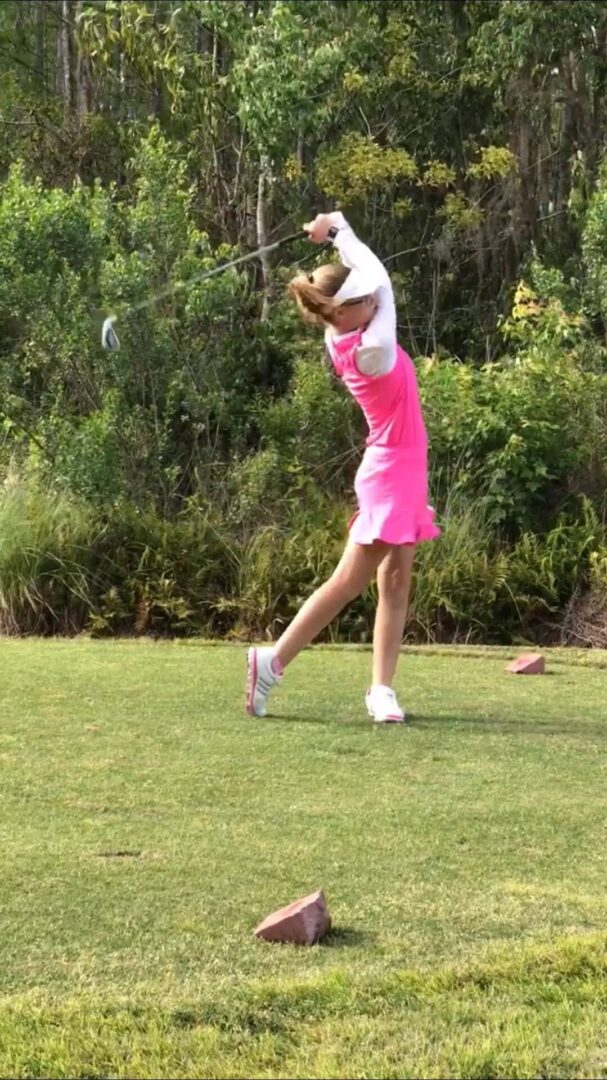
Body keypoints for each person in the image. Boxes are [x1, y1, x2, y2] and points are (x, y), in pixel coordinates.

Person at [246, 211, 439, 723]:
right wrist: (339, 230)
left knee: (395, 582)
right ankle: (273, 661)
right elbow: (383, 281)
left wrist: (335, 230)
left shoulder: (342, 332)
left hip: (402, 466)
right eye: (363, 300)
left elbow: (368, 280)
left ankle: (381, 690)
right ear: (344, 310)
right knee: (349, 581)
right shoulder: (372, 348)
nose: (374, 302)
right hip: (389, 470)